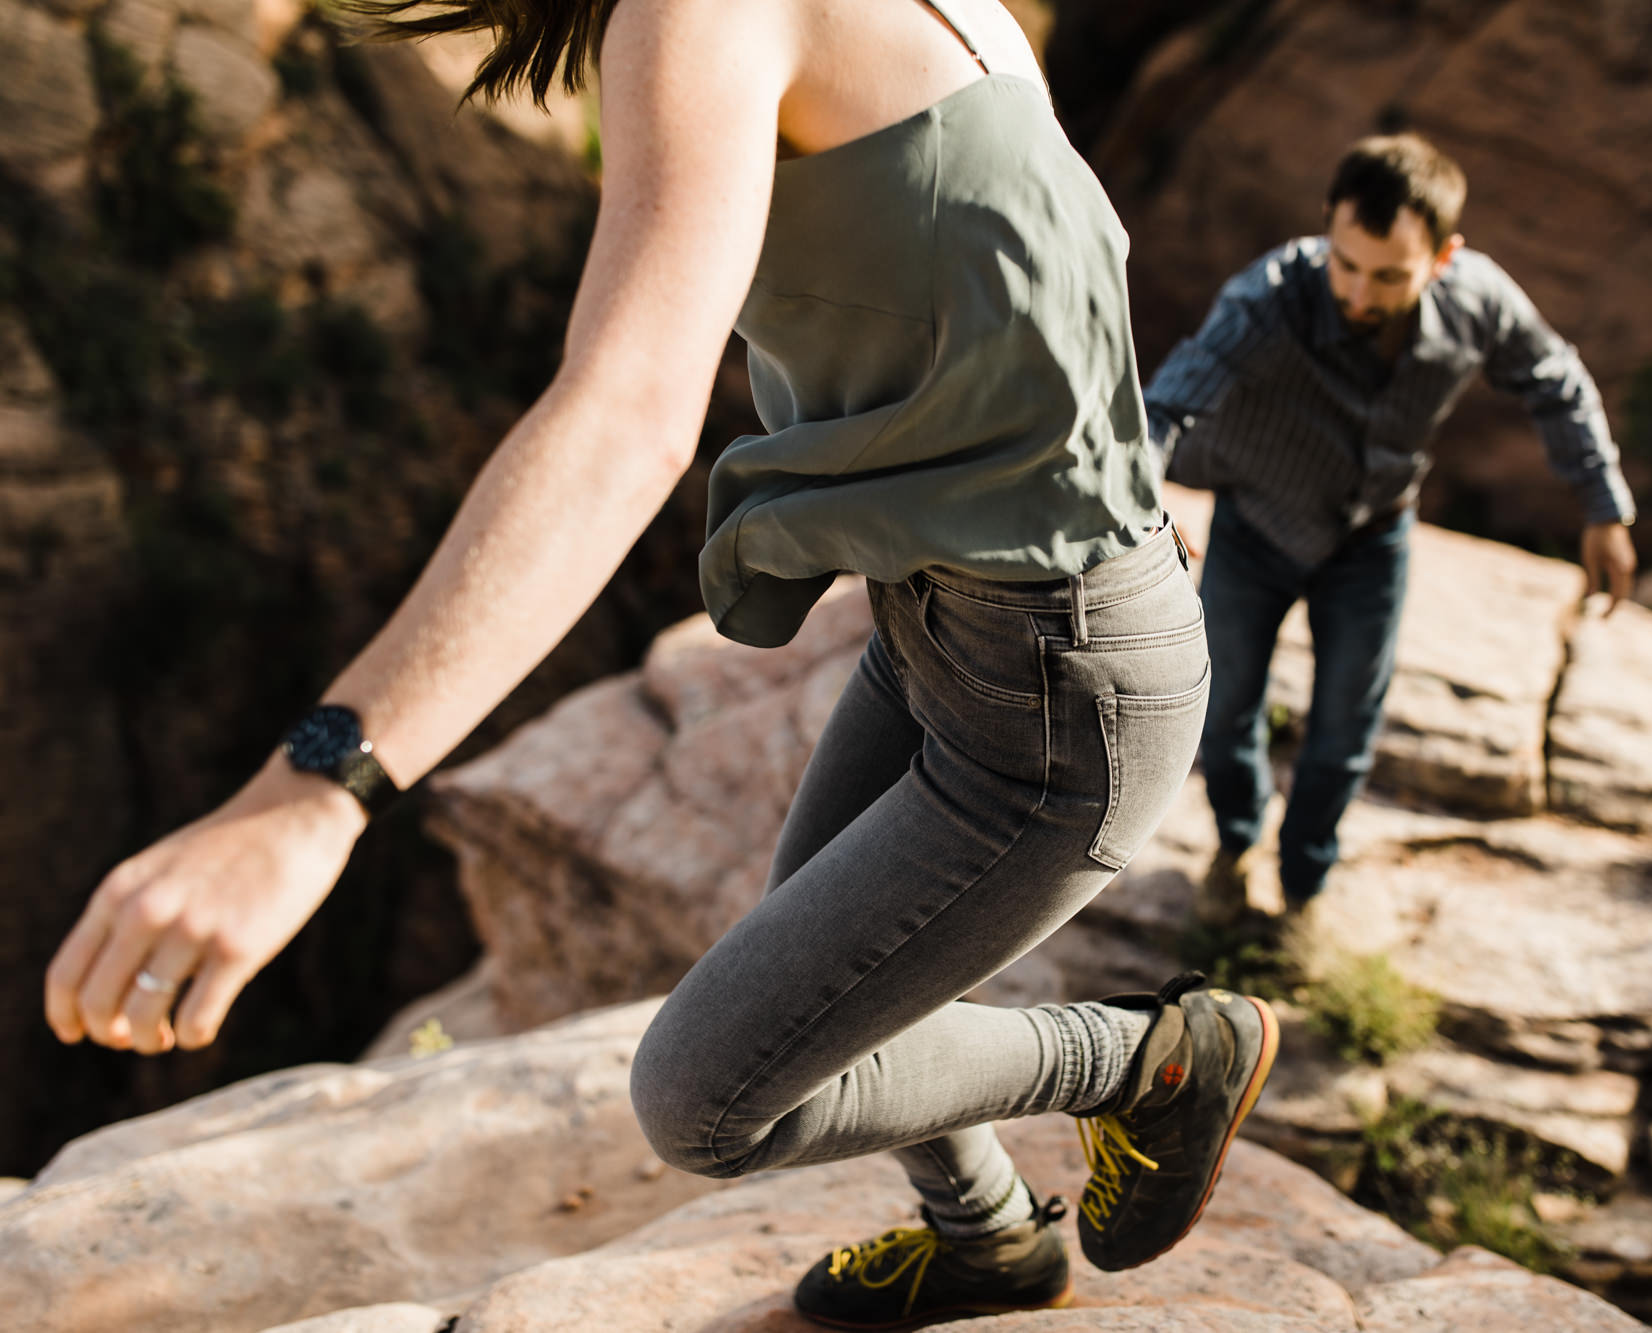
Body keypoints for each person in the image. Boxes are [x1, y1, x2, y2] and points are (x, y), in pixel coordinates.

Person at [41, 0, 1280, 1325]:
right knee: (832, 981)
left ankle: (1146, 1063)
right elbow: (1025, 267)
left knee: (715, 1093)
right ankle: (988, 1237)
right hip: (959, 624)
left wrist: (316, 788)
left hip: (1055, 694)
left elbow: (627, 416)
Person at [1148, 133, 1638, 923]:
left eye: (1388, 276)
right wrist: (1141, 494)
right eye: (1344, 262)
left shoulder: (1479, 299)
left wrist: (1605, 505)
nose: (1357, 292)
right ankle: (1236, 846)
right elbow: (1166, 404)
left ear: (1444, 257)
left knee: (1346, 729)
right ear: (1327, 229)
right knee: (1226, 704)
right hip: (1256, 525)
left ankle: (1303, 887)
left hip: (1372, 538)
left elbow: (1557, 380)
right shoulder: (1270, 294)